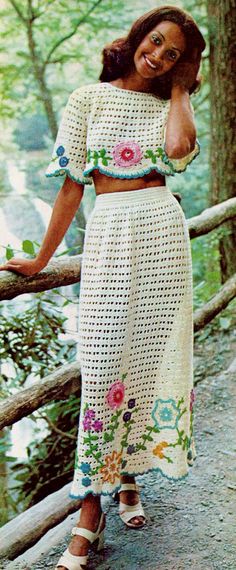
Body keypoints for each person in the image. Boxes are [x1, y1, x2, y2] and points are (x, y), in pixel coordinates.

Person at [0, 5, 206, 570]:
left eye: (173, 54)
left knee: (147, 362)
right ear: (139, 33)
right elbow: (71, 188)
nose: (158, 56)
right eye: (156, 42)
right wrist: (42, 256)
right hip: (111, 234)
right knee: (103, 366)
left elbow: (182, 150)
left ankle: (129, 478)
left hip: (162, 233)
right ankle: (91, 507)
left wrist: (183, 90)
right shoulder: (87, 100)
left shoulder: (171, 103)